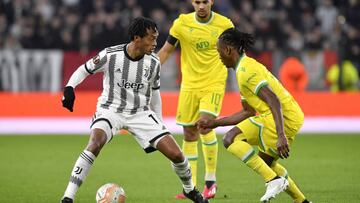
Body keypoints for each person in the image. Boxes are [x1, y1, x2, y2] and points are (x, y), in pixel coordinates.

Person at [60, 17, 209, 203]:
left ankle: (190, 190)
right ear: (137, 38)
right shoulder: (110, 55)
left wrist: (159, 123)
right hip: (110, 109)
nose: (155, 43)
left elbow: (155, 94)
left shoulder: (153, 63)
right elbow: (84, 69)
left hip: (140, 113)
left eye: (156, 38)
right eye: (151, 38)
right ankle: (68, 197)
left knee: (177, 154)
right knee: (95, 143)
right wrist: (69, 88)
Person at [197, 28, 312, 203]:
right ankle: (302, 201)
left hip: (282, 117)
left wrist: (281, 135)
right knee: (267, 164)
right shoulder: (244, 68)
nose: (218, 56)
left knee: (230, 139)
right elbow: (248, 111)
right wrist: (215, 123)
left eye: (219, 51)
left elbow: (273, 100)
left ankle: (274, 180)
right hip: (288, 116)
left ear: (228, 49)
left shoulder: (246, 71)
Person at [157, 0, 234, 199]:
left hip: (214, 83)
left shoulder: (225, 24)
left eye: (205, 2)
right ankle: (190, 186)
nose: (201, 6)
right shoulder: (181, 24)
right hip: (189, 85)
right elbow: (166, 50)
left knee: (205, 125)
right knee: (189, 134)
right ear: (192, 2)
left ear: (212, 2)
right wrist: (149, 70)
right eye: (197, 2)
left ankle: (211, 182)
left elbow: (236, 54)